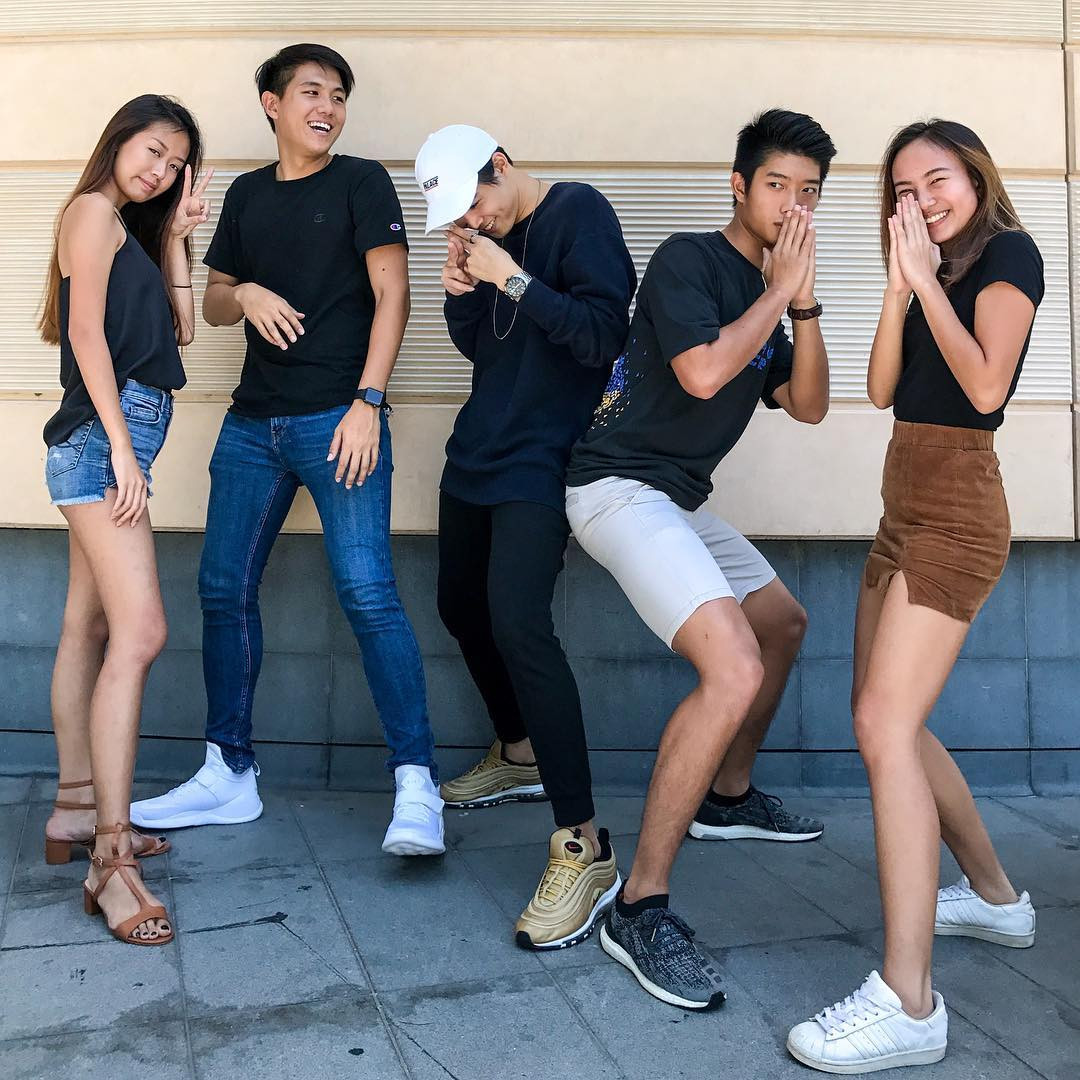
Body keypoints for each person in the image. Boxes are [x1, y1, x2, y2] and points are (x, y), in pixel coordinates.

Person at [131, 44, 444, 856]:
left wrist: (369, 402)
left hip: (339, 419)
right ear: (272, 104)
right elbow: (215, 304)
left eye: (337, 95)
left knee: (369, 592)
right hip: (253, 427)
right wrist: (246, 290)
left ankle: (417, 784)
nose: (327, 107)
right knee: (223, 588)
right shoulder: (247, 194)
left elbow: (395, 293)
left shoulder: (362, 183)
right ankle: (228, 772)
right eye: (311, 92)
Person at [565, 108, 835, 1007]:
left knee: (781, 623)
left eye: (808, 191)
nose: (792, 204)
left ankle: (728, 794)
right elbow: (704, 372)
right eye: (777, 185)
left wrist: (800, 300)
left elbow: (809, 405)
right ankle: (638, 907)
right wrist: (775, 294)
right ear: (739, 186)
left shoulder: (771, 294)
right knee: (734, 669)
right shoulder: (688, 259)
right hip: (614, 487)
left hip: (675, 499)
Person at [787, 119, 1041, 1074]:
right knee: (885, 713)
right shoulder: (922, 266)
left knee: (882, 727)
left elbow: (985, 389)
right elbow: (882, 387)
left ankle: (908, 1001)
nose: (922, 200)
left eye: (937, 180)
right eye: (903, 189)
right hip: (903, 503)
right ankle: (996, 898)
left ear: (975, 177)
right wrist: (899, 287)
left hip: (961, 514)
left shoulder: (1009, 255)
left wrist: (929, 282)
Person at [414, 125, 636, 948]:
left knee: (519, 623)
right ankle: (518, 752)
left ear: (500, 164)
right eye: (458, 217)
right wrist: (463, 295)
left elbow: (603, 337)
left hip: (546, 457)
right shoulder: (485, 241)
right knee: (458, 605)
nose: (474, 220)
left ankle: (584, 843)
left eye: (475, 201)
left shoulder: (580, 213)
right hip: (477, 449)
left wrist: (510, 277)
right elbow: (483, 351)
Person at [39, 94, 209, 944]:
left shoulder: (128, 232)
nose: (162, 170)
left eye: (176, 163)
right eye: (153, 150)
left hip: (113, 437)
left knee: (90, 624)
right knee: (142, 632)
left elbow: (181, 332)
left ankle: (75, 808)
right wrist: (122, 451)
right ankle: (111, 858)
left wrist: (174, 237)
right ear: (119, 139)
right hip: (102, 443)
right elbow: (85, 337)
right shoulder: (90, 213)